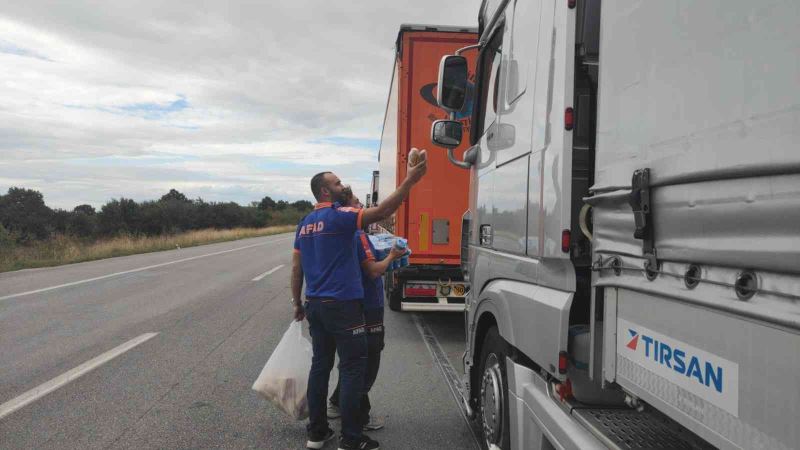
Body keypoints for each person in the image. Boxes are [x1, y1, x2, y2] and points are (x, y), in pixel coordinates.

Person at [291, 150, 427, 450]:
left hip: (315, 305)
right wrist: (410, 181)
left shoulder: (305, 224)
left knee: (320, 367)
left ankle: (317, 434)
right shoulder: (339, 217)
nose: (343, 186)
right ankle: (351, 440)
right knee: (352, 369)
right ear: (326, 191)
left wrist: (297, 303)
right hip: (344, 306)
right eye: (338, 183)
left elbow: (296, 267)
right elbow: (379, 213)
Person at [327, 194, 404, 431]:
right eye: (358, 204)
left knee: (355, 359)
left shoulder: (353, 234)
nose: (363, 207)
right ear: (347, 211)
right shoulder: (356, 235)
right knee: (368, 359)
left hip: (360, 303)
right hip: (367, 304)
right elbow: (372, 272)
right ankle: (358, 414)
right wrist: (393, 256)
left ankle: (339, 403)